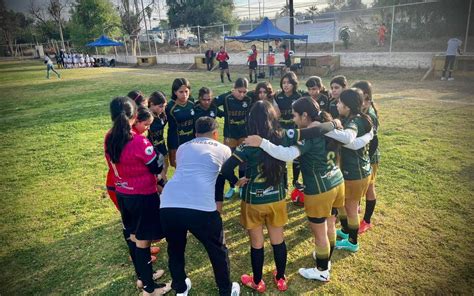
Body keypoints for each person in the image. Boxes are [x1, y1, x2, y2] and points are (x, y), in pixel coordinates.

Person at [160, 117, 240, 296]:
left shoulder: (182, 147)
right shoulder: (224, 149)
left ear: (195, 134)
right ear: (215, 134)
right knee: (218, 250)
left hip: (168, 203)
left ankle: (180, 288)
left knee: (175, 248)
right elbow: (225, 173)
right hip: (201, 207)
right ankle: (226, 291)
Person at [104, 97, 170, 295]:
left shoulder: (109, 136)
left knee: (133, 237)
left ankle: (143, 277)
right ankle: (149, 289)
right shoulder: (139, 141)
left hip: (123, 194)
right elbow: (156, 166)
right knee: (143, 241)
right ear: (134, 116)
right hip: (142, 196)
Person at [221, 101, 288, 292]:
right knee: (278, 240)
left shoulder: (247, 144)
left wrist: (236, 182)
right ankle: (281, 278)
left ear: (251, 120)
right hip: (276, 198)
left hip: (254, 201)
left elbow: (225, 168)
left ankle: (257, 281)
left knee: (256, 243)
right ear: (272, 118)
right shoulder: (280, 138)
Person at [334, 88, 374, 252]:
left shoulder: (353, 122)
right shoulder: (361, 117)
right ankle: (345, 231)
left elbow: (348, 138)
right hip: (361, 170)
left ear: (347, 106)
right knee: (344, 204)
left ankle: (352, 241)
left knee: (351, 208)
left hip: (354, 173)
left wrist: (329, 131)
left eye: (339, 102)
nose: (337, 105)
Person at [214, 78, 253, 199]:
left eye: (244, 92)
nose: (242, 94)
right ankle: (232, 187)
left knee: (243, 161)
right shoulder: (226, 98)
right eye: (239, 91)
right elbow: (212, 104)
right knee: (228, 161)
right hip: (230, 135)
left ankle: (242, 187)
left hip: (244, 135)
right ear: (234, 88)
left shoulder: (249, 98)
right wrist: (222, 114)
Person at [353, 81, 380, 234]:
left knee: (369, 187)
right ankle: (356, 209)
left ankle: (367, 221)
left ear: (367, 97)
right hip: (363, 155)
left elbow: (374, 142)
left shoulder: (370, 115)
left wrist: (367, 160)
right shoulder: (362, 111)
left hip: (370, 157)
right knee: (362, 187)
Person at [274, 71, 302, 189]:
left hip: (295, 131)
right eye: (284, 82)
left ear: (294, 84)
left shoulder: (299, 97)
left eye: (289, 83)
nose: (286, 85)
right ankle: (284, 184)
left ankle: (295, 181)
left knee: (297, 156)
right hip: (281, 131)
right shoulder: (277, 96)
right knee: (282, 157)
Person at [166, 78, 195, 168]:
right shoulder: (169, 107)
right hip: (176, 143)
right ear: (175, 92)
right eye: (181, 92)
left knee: (192, 166)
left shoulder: (192, 103)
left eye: (186, 91)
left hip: (192, 142)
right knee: (180, 169)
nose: (184, 94)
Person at [148, 91, 169, 185]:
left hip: (162, 145)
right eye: (160, 106)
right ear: (151, 104)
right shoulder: (146, 117)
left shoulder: (161, 114)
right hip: (153, 149)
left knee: (165, 168)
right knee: (160, 175)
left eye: (164, 106)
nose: (163, 109)